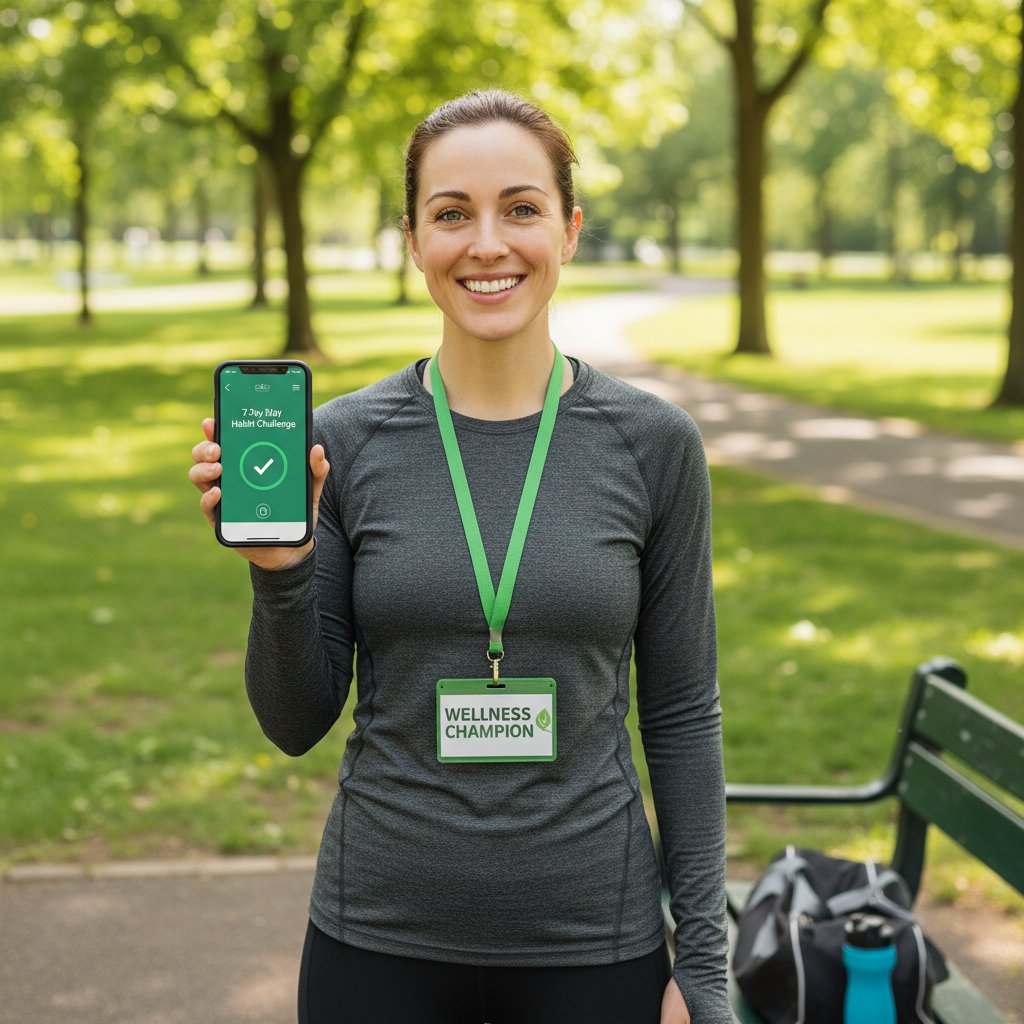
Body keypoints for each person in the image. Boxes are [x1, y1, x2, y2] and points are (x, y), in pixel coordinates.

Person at [190, 89, 731, 1024]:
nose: (488, 243)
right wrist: (280, 570)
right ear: (413, 238)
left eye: (521, 208)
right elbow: (293, 721)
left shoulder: (654, 445)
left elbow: (682, 715)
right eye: (452, 214)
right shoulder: (341, 442)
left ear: (569, 229)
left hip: (593, 944)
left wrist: (707, 971)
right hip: (376, 940)